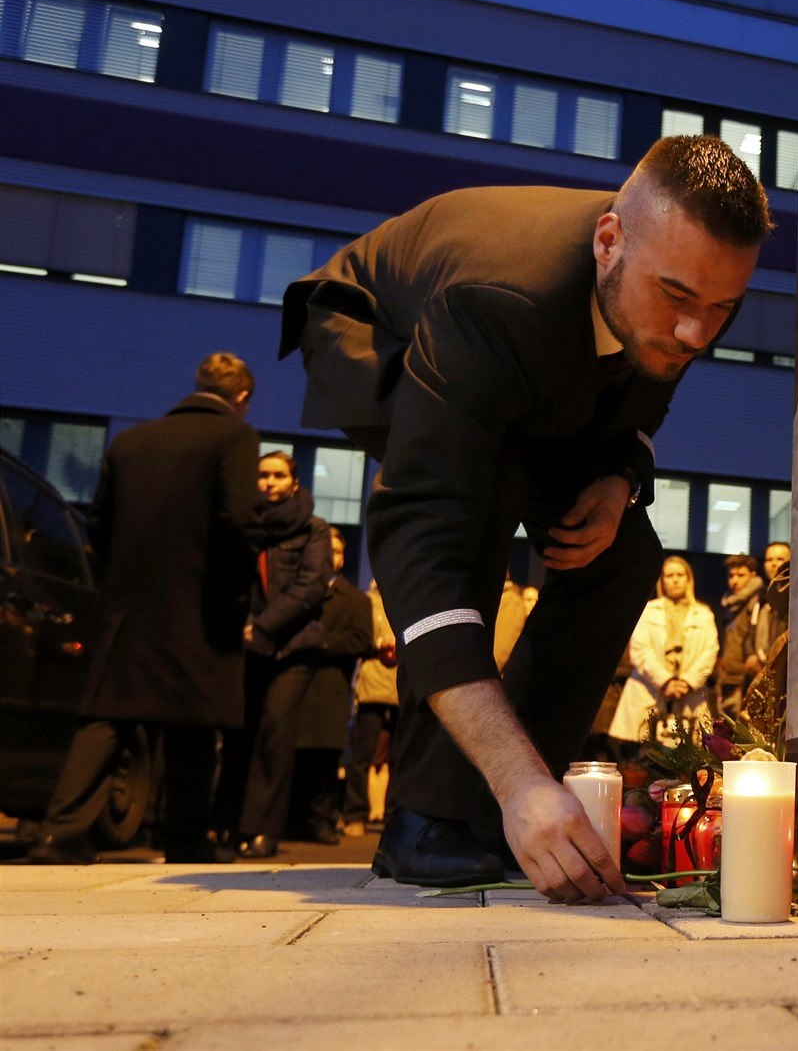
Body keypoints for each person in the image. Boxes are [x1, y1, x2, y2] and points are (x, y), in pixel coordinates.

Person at [278, 134, 770, 894]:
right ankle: (425, 818)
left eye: (721, 308)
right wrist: (516, 782)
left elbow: (641, 394)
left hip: (541, 378)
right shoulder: (498, 297)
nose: (695, 334)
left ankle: (505, 811)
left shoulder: (683, 287)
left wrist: (619, 479)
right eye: (676, 298)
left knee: (625, 554)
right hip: (376, 330)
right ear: (608, 241)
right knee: (481, 494)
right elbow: (421, 533)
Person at [24, 353, 260, 865]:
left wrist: (121, 582)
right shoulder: (234, 437)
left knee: (108, 715)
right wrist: (237, 592)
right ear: (241, 398)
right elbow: (240, 520)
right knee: (194, 723)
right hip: (201, 605)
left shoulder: (132, 441)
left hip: (131, 607)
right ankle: (185, 838)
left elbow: (98, 523)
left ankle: (60, 833)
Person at [226, 452, 333, 858]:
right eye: (262, 475)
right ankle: (229, 824)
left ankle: (261, 830)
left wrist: (262, 624)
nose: (269, 482)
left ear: (294, 482)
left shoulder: (313, 528)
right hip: (249, 643)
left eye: (277, 475)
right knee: (241, 733)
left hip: (294, 646)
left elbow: (311, 586)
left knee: (274, 733)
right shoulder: (247, 526)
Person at [287, 526, 373, 843]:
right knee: (291, 756)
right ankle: (290, 819)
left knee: (324, 760)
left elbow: (362, 640)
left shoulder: (356, 600)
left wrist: (320, 643)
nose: (330, 557)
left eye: (336, 551)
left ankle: (320, 820)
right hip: (294, 687)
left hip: (330, 689)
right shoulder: (296, 594)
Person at [608, 556, 720, 746]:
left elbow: (709, 652)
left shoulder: (704, 614)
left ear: (688, 579)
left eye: (680, 575)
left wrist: (687, 682)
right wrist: (665, 681)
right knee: (643, 753)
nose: (675, 580)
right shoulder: (647, 611)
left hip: (690, 696)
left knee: (691, 753)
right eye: (669, 575)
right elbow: (640, 650)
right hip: (648, 691)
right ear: (662, 581)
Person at [341, 580, 398, 835]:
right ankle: (355, 814)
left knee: (400, 757)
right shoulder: (368, 601)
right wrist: (378, 642)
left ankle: (395, 816)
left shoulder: (407, 596)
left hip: (401, 684)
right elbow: (359, 636)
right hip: (373, 682)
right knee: (362, 754)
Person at [715, 554, 762, 714]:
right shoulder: (728, 602)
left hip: (748, 677)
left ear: (753, 575)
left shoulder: (758, 601)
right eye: (731, 575)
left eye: (741, 575)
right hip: (727, 676)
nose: (735, 580)